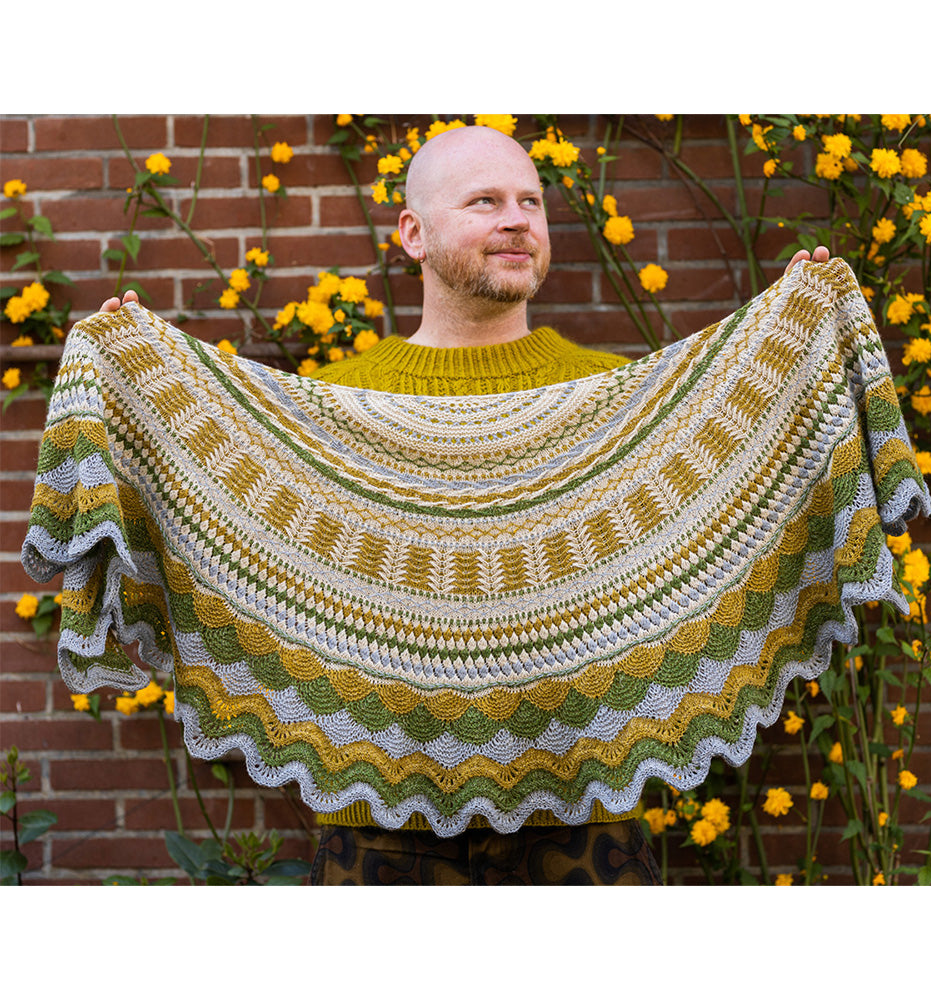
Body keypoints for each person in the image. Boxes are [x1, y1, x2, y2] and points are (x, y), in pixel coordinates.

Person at [99, 124, 831, 885]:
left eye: (531, 202)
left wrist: (796, 328)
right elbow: (220, 500)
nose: (517, 220)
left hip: (586, 826)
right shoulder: (335, 407)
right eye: (485, 201)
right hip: (377, 829)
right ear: (413, 234)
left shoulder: (617, 403)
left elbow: (732, 493)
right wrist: (133, 369)